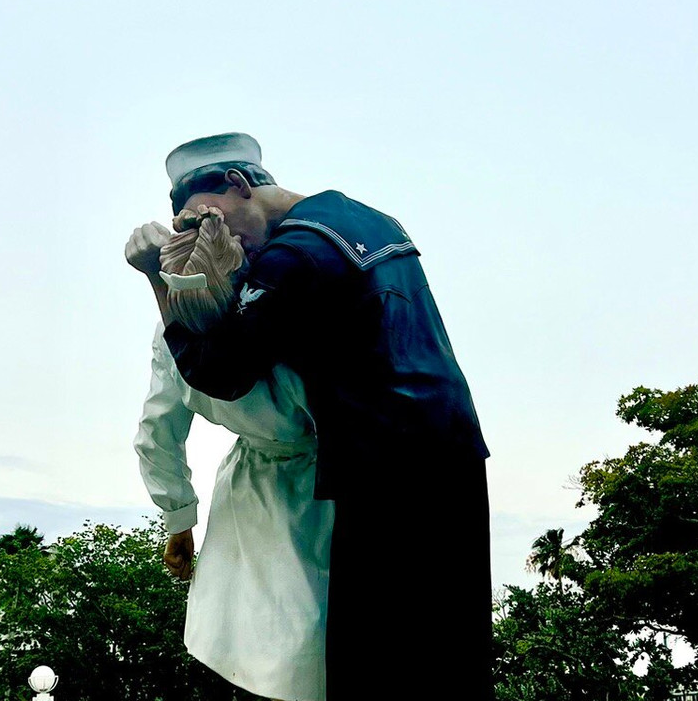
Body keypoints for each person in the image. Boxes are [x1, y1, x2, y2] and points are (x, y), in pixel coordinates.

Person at [130, 132, 494, 699]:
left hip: (383, 472)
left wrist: (159, 277)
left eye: (210, 219)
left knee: (370, 663)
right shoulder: (367, 220)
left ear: (239, 185)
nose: (224, 240)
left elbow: (223, 372)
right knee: (448, 652)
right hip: (452, 452)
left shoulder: (296, 256)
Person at [130, 212, 334, 701]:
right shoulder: (286, 315)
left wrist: (179, 520)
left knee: (253, 642)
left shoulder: (171, 336)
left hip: (266, 491)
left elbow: (157, 431)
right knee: (305, 646)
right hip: (319, 485)